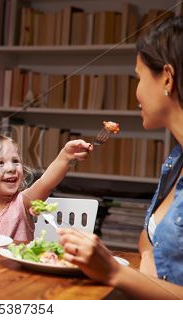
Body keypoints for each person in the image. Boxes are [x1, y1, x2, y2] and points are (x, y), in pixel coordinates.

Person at [58, 16, 183, 299]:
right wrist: (148, 256)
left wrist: (114, 271)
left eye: (138, 77)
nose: (136, 92)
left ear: (167, 77)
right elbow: (149, 238)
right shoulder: (175, 162)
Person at [0, 133, 92, 241]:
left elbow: (46, 182)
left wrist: (65, 156)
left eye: (15, 161)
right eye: (0, 163)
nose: (11, 168)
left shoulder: (23, 203)